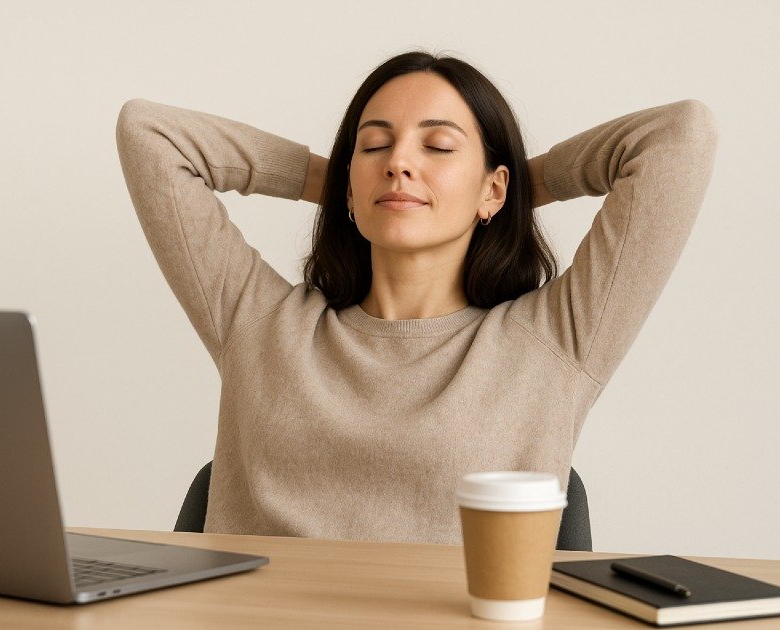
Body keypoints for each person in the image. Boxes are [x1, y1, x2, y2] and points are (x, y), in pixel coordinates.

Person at [115, 50, 718, 545]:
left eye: (439, 147)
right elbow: (150, 134)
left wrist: (517, 185)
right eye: (375, 145)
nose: (400, 162)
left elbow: (679, 135)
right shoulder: (259, 324)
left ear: (493, 188)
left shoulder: (553, 342)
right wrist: (341, 183)